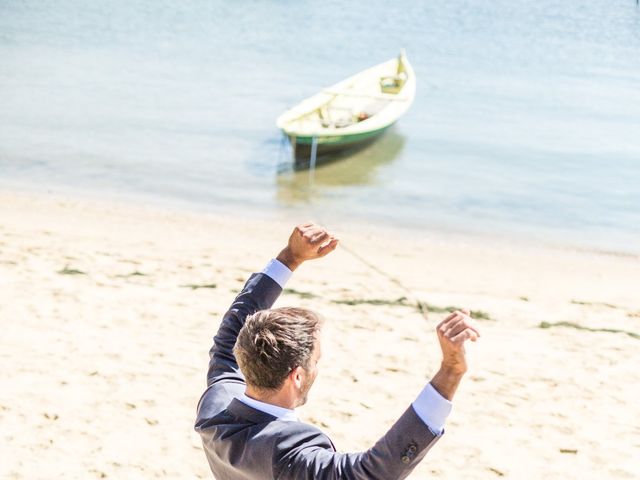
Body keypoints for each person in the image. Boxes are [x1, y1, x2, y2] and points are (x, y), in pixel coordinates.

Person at [195, 223, 480, 479]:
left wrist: (290, 257)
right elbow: (372, 472)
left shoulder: (217, 403)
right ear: (296, 376)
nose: (318, 367)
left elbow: (230, 333)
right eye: (316, 361)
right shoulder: (287, 454)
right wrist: (451, 372)